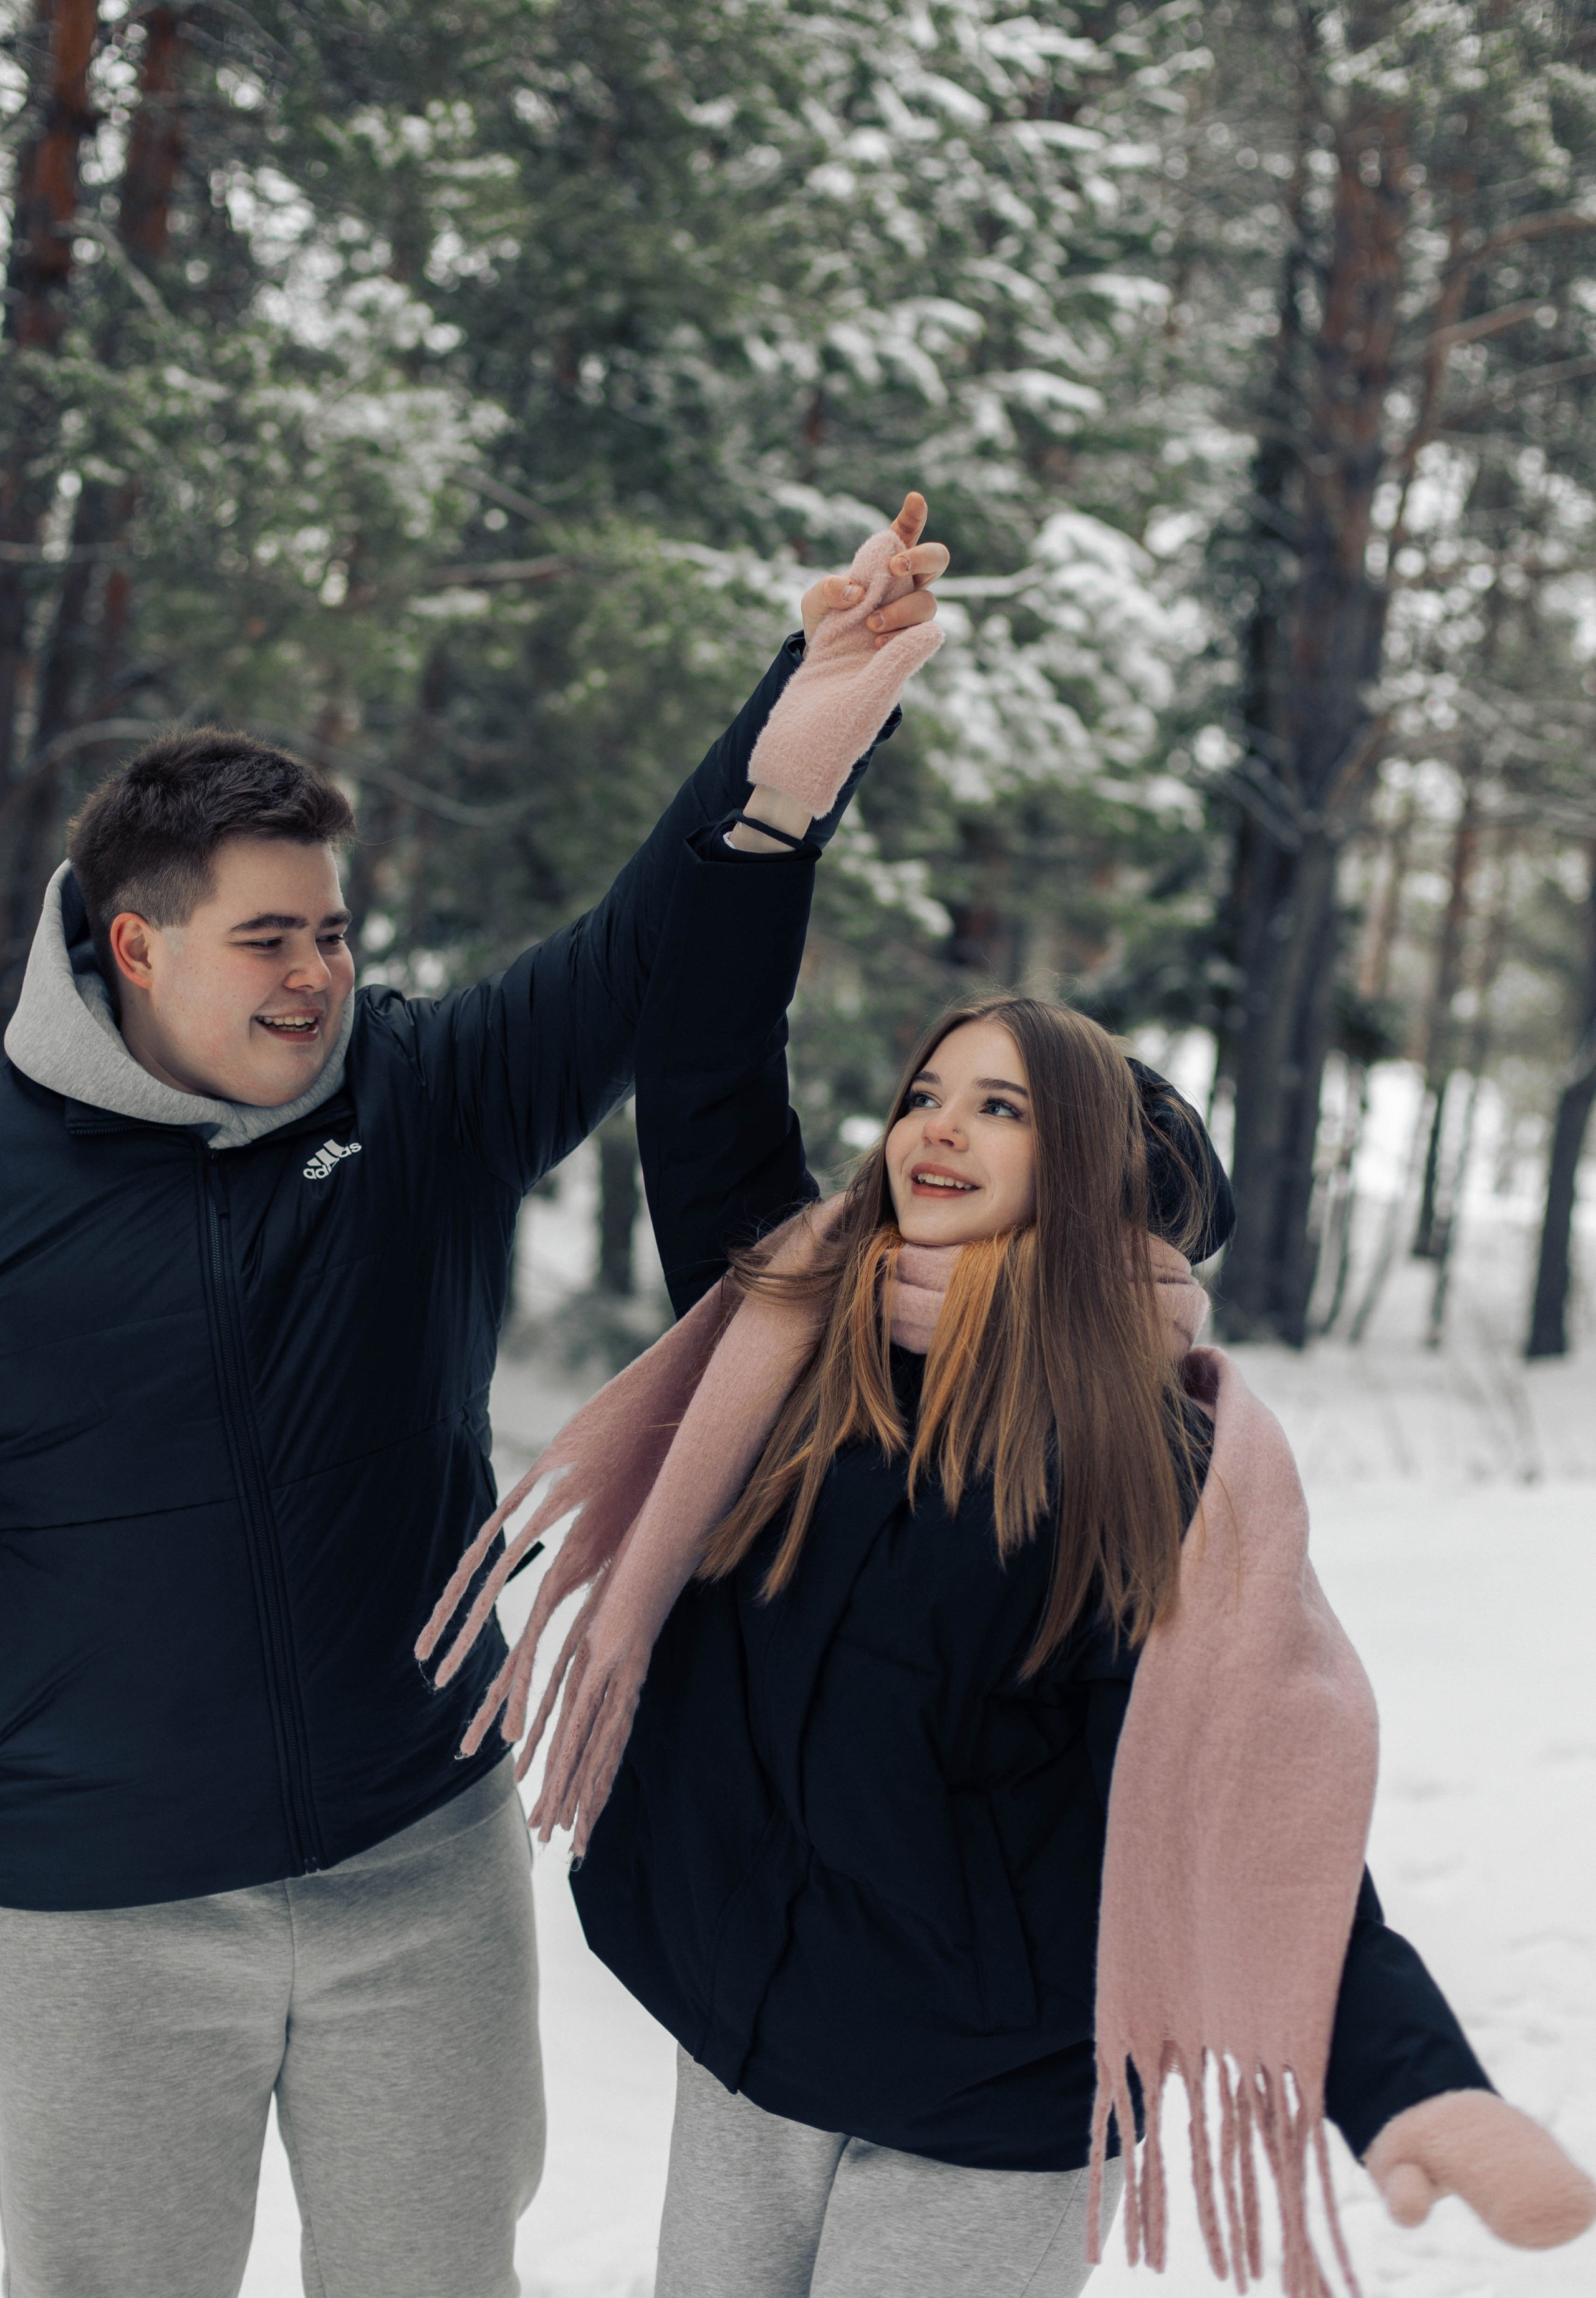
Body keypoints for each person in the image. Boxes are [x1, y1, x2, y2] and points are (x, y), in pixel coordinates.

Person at [0, 498, 949, 2298]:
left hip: (414, 1865)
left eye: (334, 932)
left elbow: (640, 953)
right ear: (133, 948)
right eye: (268, 941)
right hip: (98, 1909)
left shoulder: (417, 1094)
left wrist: (802, 712)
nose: (319, 976)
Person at [430, 995, 1596, 2298]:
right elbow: (706, 1069)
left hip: (986, 2103)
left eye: (1003, 1107)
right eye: (926, 1093)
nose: (939, 1128)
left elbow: (1242, 1799)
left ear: (1087, 1164)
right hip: (756, 2048)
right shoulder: (803, 1347)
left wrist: (1412, 2083)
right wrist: (766, 819)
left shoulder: (1139, 1464)